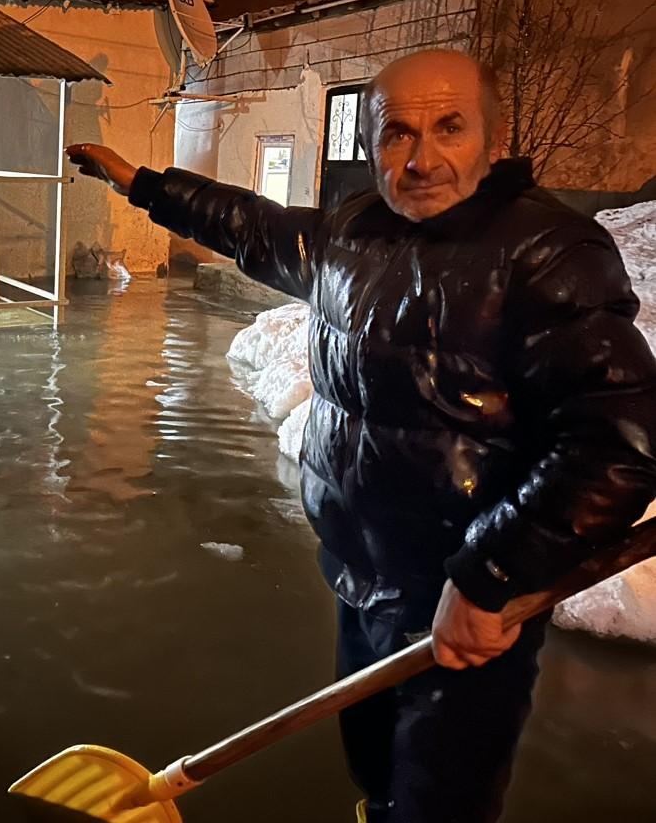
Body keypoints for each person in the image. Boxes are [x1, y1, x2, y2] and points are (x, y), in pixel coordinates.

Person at [68, 49, 656, 822]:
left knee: (438, 797)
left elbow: (615, 442)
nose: (419, 159)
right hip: (357, 570)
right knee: (374, 768)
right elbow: (257, 227)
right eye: (395, 134)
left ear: (492, 136)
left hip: (467, 601)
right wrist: (142, 185)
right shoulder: (354, 232)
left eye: (449, 127)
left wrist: (489, 579)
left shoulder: (546, 252)